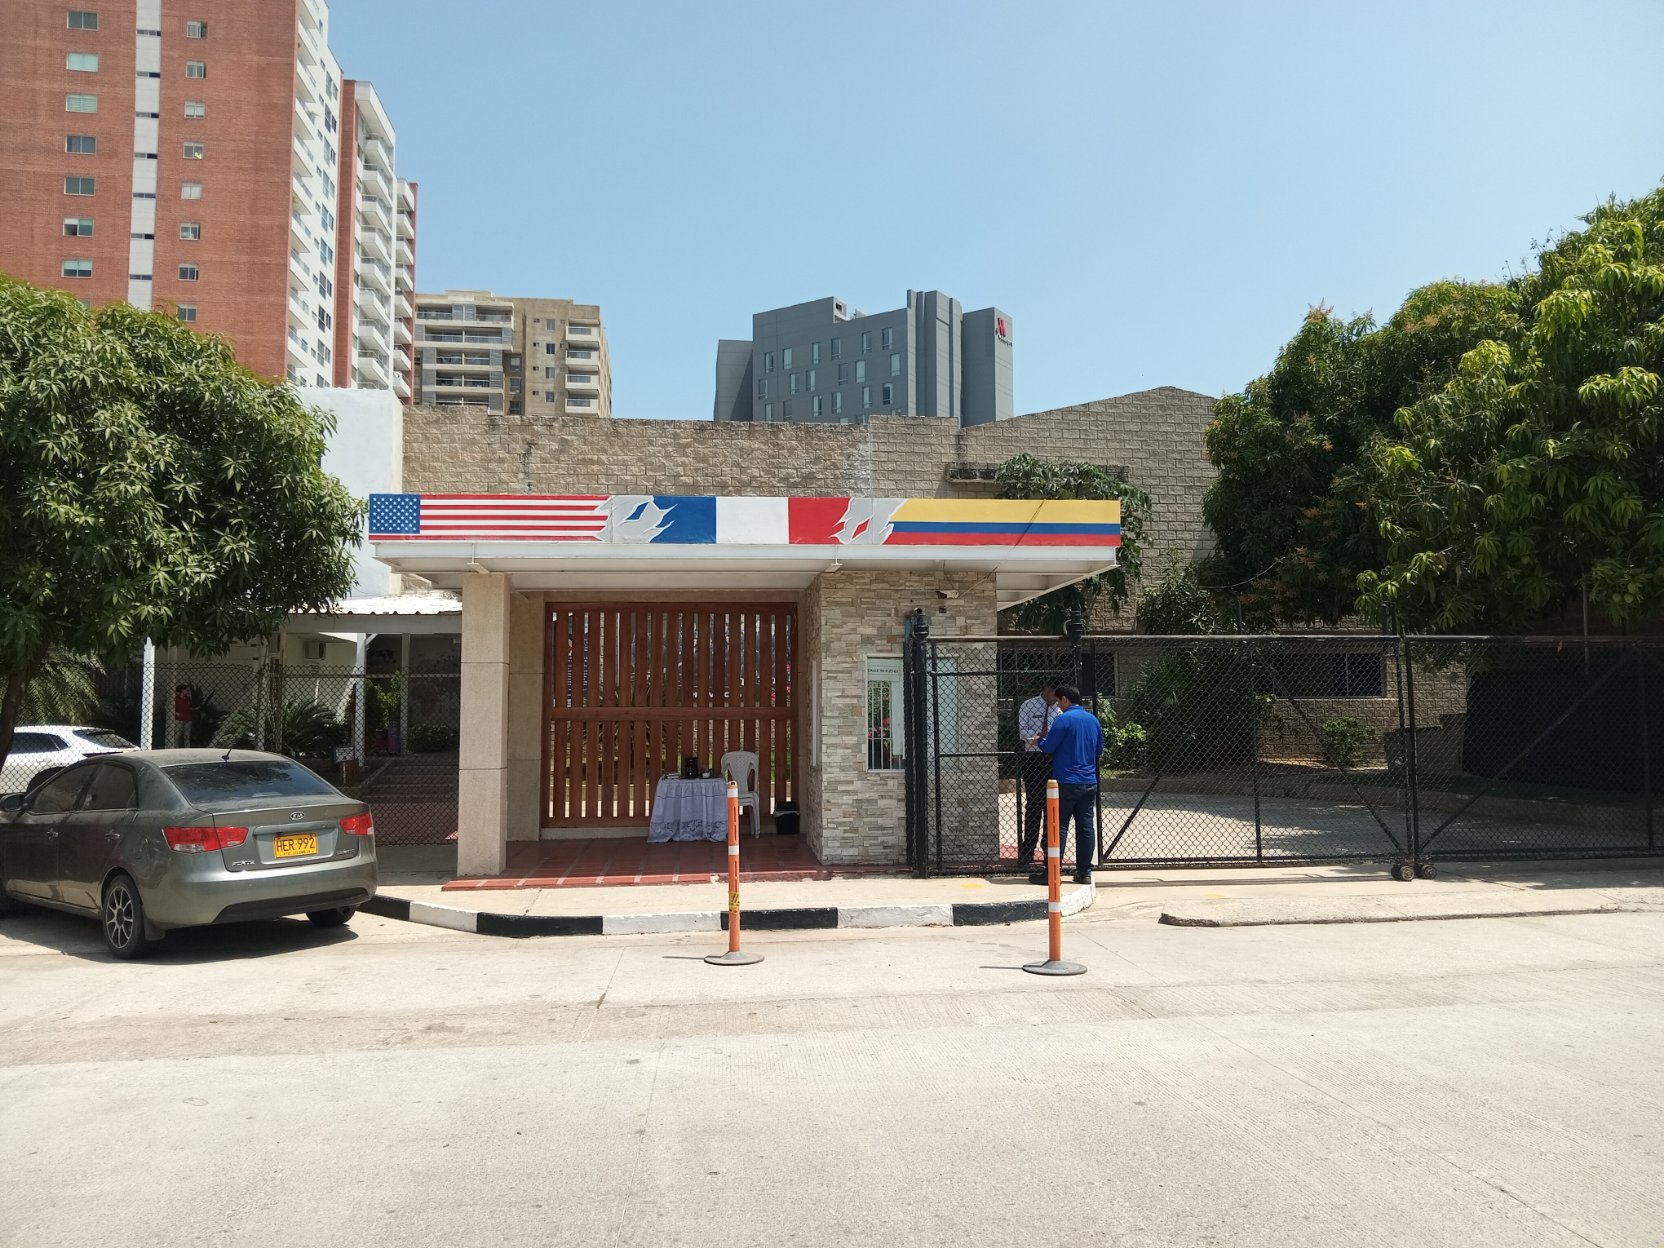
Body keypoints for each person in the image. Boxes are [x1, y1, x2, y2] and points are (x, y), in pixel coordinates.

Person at [1033, 683, 1102, 886]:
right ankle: (1085, 871)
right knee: (1086, 826)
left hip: (1065, 781)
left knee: (1059, 826)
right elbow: (1099, 750)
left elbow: (1049, 747)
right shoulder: (1093, 720)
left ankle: (1053, 872)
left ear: (1065, 699)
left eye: (1058, 701)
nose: (1058, 705)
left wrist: (1038, 741)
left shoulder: (1063, 720)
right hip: (1089, 780)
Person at [1015, 682, 1059, 866]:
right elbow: (1022, 731)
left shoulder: (1060, 710)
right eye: (1054, 694)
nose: (1055, 699)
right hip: (1033, 757)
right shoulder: (1029, 705)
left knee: (1052, 804)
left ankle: (1049, 848)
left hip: (1052, 758)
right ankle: (1028, 850)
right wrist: (1036, 737)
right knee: (1034, 803)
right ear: (1047, 690)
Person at [170, 684, 193, 749]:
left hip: (188, 719)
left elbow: (190, 707)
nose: (188, 691)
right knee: (177, 736)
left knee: (187, 736)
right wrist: (177, 713)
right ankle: (176, 748)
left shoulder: (188, 698)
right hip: (179, 719)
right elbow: (170, 708)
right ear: (182, 690)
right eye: (186, 690)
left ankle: (187, 749)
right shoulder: (176, 699)